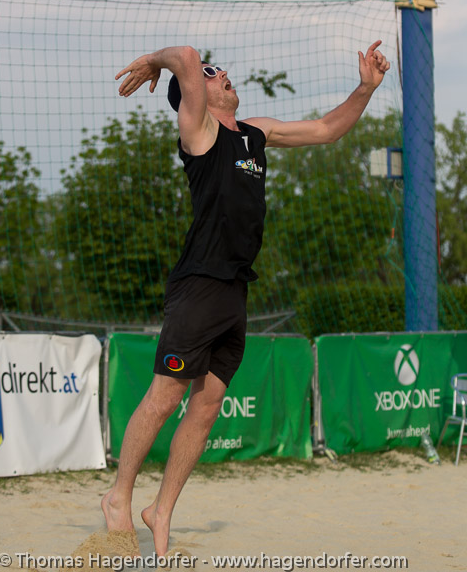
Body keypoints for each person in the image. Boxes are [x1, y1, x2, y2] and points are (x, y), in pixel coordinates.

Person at [102, 42, 390, 555]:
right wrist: (157, 62)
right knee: (166, 395)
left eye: (220, 70)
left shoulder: (254, 134)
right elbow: (186, 55)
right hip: (198, 284)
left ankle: (161, 509)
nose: (223, 74)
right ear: (194, 93)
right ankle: (118, 496)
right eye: (212, 73)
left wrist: (366, 88)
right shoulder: (198, 130)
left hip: (236, 289)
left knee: (207, 404)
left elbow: (327, 129)